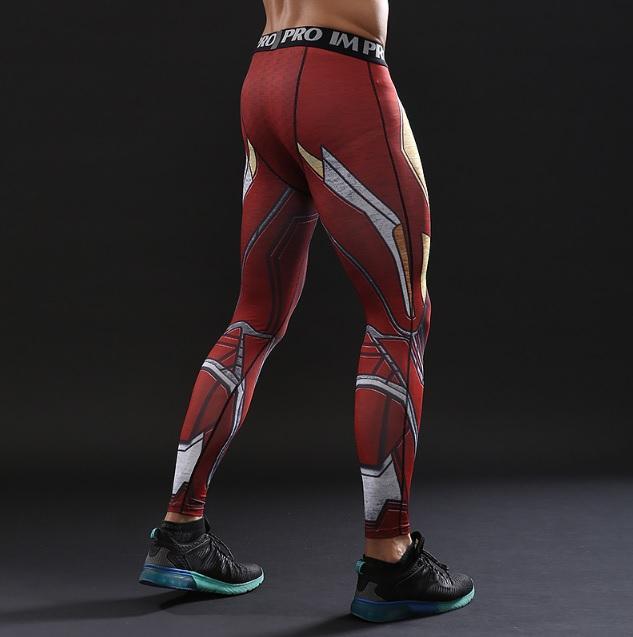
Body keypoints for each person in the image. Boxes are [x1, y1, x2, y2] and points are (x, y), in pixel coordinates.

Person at [138, 0, 474, 622]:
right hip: (342, 78)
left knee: (254, 317)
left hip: (266, 76)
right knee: (399, 320)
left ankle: (180, 530)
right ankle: (390, 559)